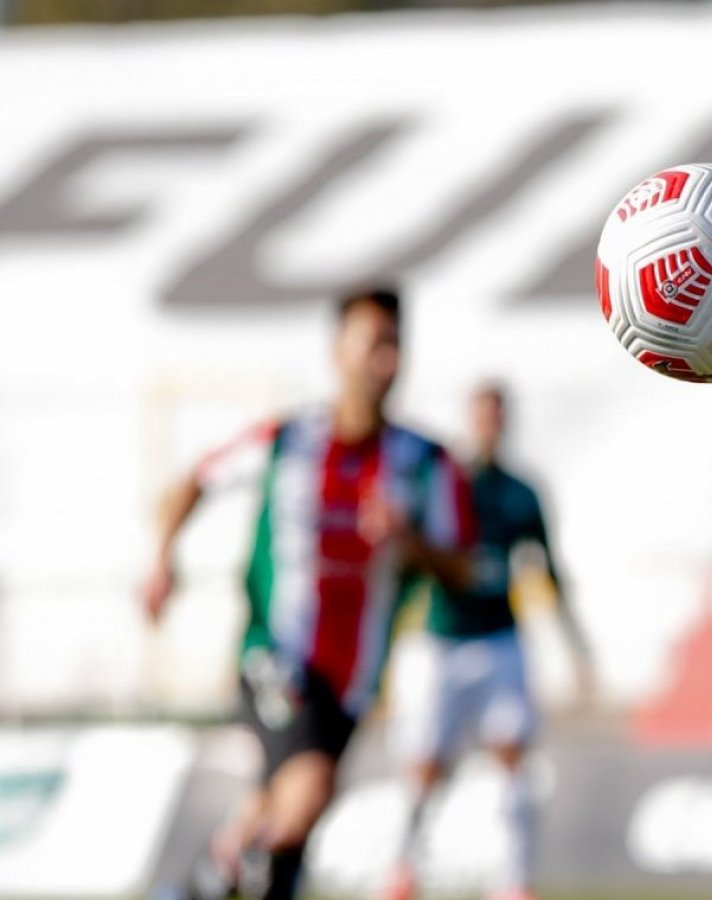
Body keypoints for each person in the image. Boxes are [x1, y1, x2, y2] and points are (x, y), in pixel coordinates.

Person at [142, 287, 476, 900]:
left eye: (395, 346)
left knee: (279, 825)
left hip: (350, 682)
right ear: (338, 351)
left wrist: (410, 541)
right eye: (374, 343)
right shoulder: (285, 442)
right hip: (274, 654)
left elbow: (464, 568)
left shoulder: (427, 462)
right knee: (309, 787)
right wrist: (162, 559)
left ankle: (199, 885)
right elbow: (191, 482)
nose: (385, 361)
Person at [384, 382, 594, 900]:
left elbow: (548, 569)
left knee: (514, 761)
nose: (488, 426)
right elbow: (410, 565)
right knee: (427, 766)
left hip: (501, 639)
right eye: (480, 416)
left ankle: (514, 882)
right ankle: (402, 870)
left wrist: (575, 645)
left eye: (496, 416)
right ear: (469, 420)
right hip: (443, 640)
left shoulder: (522, 493)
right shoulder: (443, 484)